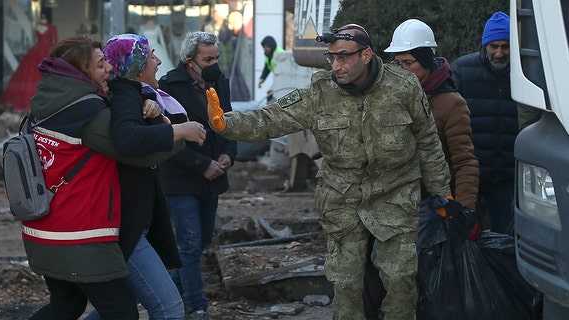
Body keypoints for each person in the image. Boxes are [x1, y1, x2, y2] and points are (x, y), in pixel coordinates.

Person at [206, 24, 452, 320]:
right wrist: (225, 124)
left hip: (394, 195)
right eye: (331, 58)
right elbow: (270, 119)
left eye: (344, 57)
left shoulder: (404, 87)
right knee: (345, 283)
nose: (336, 66)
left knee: (399, 279)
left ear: (366, 55)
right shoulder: (320, 93)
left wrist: (442, 191)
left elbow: (428, 140)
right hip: (342, 200)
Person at [360, 18, 480, 320]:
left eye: (409, 62)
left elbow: (464, 160)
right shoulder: (389, 97)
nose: (402, 70)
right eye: (397, 63)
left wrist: (462, 209)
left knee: (409, 271)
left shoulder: (451, 103)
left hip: (428, 205)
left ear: (427, 60)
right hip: (386, 199)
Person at [83, 34, 207, 320]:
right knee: (170, 308)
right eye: (152, 56)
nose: (159, 60)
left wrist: (155, 114)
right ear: (137, 66)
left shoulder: (133, 93)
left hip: (128, 221)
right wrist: (178, 130)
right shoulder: (126, 94)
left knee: (118, 309)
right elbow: (128, 139)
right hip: (126, 225)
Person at [24, 35, 137, 320]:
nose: (109, 68)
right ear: (82, 73)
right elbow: (136, 150)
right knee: (122, 312)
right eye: (101, 64)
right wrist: (178, 133)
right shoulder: (89, 112)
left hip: (42, 230)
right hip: (82, 237)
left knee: (66, 306)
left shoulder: (41, 107)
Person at [158, 31, 237, 320]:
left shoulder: (219, 82)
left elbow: (228, 121)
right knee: (189, 244)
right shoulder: (168, 87)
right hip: (181, 178)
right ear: (190, 61)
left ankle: (174, 295)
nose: (214, 63)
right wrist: (201, 164)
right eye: (208, 59)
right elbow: (165, 139)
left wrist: (229, 152)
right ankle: (195, 304)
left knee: (201, 241)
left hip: (214, 176)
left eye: (216, 57)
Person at [451, 11, 518, 234]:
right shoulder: (462, 71)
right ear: (485, 46)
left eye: (505, 46)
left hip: (508, 176)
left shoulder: (525, 74)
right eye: (494, 46)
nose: (499, 53)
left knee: (505, 238)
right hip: (471, 175)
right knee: (467, 233)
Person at [0, 14, 58, 111]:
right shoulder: (37, 26)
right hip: (37, 51)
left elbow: (55, 41)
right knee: (30, 76)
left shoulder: (51, 27)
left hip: (45, 51)